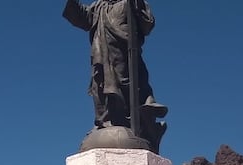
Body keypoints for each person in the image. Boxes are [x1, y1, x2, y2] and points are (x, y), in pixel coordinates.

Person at [62, 0, 168, 151]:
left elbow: (147, 24)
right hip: (101, 56)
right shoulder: (99, 6)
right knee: (100, 87)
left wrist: (136, 5)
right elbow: (83, 18)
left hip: (124, 55)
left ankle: (134, 126)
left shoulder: (129, 2)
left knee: (127, 86)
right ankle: (105, 122)